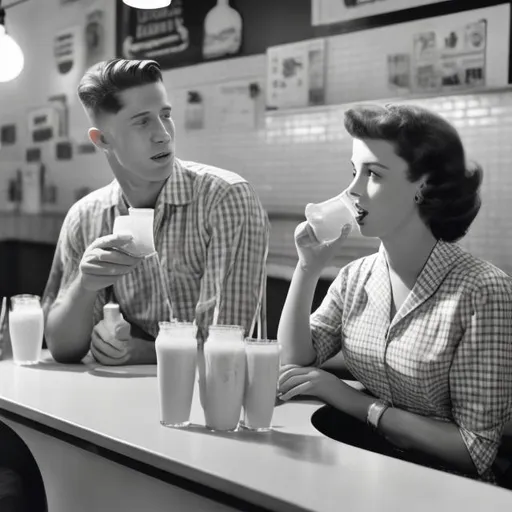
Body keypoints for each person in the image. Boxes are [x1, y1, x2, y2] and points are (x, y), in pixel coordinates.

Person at [277, 103, 512, 485]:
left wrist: (350, 399)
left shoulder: (483, 291)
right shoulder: (357, 276)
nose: (351, 191)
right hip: (365, 472)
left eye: (373, 174)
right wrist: (307, 268)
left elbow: (473, 450)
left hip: (444, 491)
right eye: (354, 171)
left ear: (424, 185)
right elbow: (294, 360)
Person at [42, 58, 269, 366]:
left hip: (218, 397)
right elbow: (62, 348)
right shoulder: (86, 216)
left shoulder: (225, 197)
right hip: (124, 398)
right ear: (103, 140)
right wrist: (85, 287)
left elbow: (230, 343)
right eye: (142, 121)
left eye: (165, 115)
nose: (163, 134)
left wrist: (144, 352)